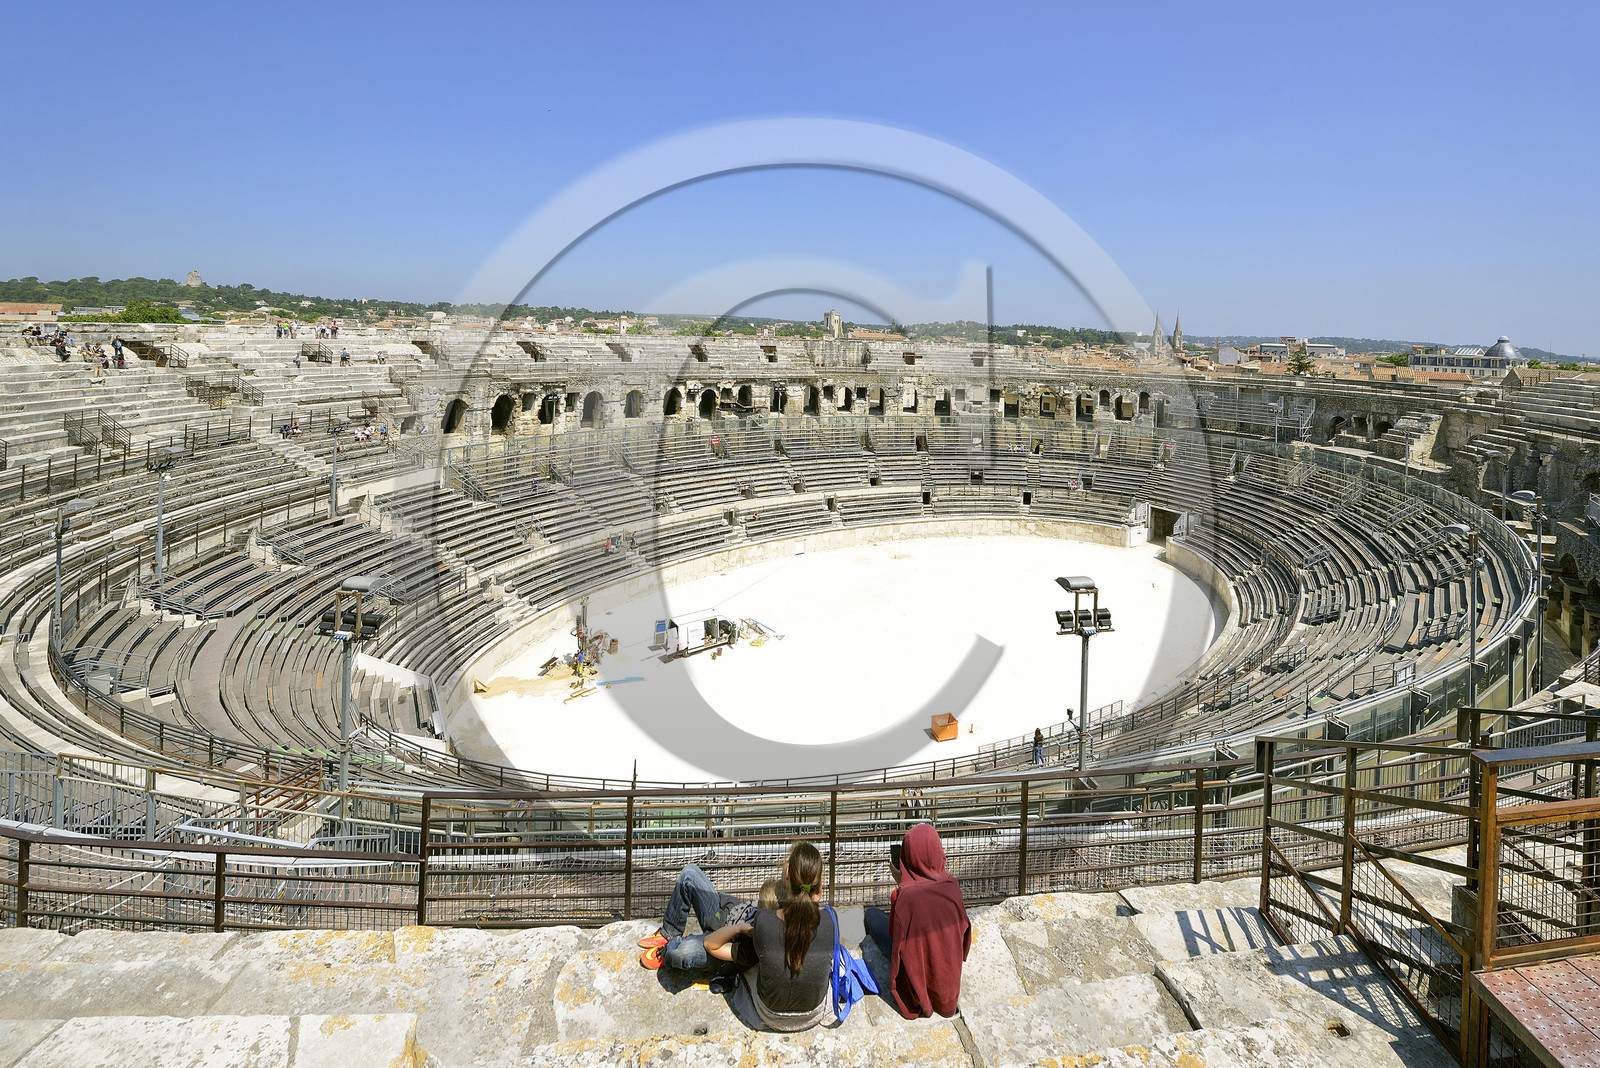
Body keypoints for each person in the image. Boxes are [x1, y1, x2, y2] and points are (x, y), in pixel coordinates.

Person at [646, 842, 836, 1032]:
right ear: (818, 888)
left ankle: (668, 944)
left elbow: (711, 944)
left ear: (787, 873)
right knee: (689, 874)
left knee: (680, 951)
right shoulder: (830, 919)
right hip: (729, 920)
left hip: (728, 942)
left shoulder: (764, 925)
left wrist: (738, 929)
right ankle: (668, 933)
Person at [864, 823, 971, 1020]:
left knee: (871, 915)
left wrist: (901, 884)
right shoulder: (952, 887)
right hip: (948, 995)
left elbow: (895, 940)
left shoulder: (904, 897)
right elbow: (964, 943)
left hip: (916, 981)